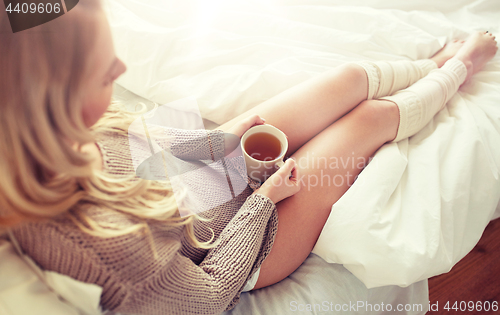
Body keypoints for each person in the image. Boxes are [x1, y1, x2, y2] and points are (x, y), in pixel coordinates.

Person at [0, 0, 497, 314]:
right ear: (53, 100)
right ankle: (459, 69)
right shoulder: (103, 253)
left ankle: (432, 65)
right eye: (108, 73)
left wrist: (225, 139)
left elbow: (145, 156)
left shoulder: (52, 132)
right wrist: (264, 199)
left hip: (198, 186)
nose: (123, 69)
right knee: (366, 120)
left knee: (347, 79)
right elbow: (208, 294)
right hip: (238, 246)